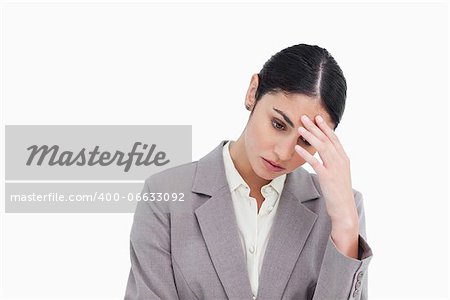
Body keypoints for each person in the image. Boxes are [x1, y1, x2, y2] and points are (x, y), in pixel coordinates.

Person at [124, 44, 373, 300]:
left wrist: (345, 225)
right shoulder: (164, 195)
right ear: (253, 92)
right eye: (278, 124)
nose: (285, 153)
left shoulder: (343, 209)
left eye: (306, 141)